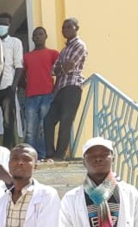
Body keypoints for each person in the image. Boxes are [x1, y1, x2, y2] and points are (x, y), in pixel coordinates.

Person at [44, 18, 87, 161]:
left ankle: (60, 155)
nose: (66, 30)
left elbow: (69, 67)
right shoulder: (64, 50)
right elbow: (53, 70)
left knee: (65, 121)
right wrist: (62, 69)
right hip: (60, 89)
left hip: (72, 87)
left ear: (77, 28)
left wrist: (61, 69)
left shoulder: (79, 45)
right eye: (63, 27)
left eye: (69, 27)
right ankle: (50, 153)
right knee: (48, 120)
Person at [23, 27, 59, 161]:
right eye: (35, 35)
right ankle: (30, 157)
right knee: (30, 129)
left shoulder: (53, 54)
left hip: (47, 95)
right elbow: (22, 75)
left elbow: (60, 71)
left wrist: (56, 89)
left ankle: (42, 155)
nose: (38, 37)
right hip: (30, 96)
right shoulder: (27, 57)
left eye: (40, 34)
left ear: (46, 36)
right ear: (32, 38)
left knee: (44, 128)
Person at [0, 13, 24, 148]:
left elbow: (19, 66)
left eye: (5, 24)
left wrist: (13, 87)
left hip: (7, 85)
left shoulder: (15, 42)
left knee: (8, 121)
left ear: (9, 25)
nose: (2, 26)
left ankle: (9, 148)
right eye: (0, 23)